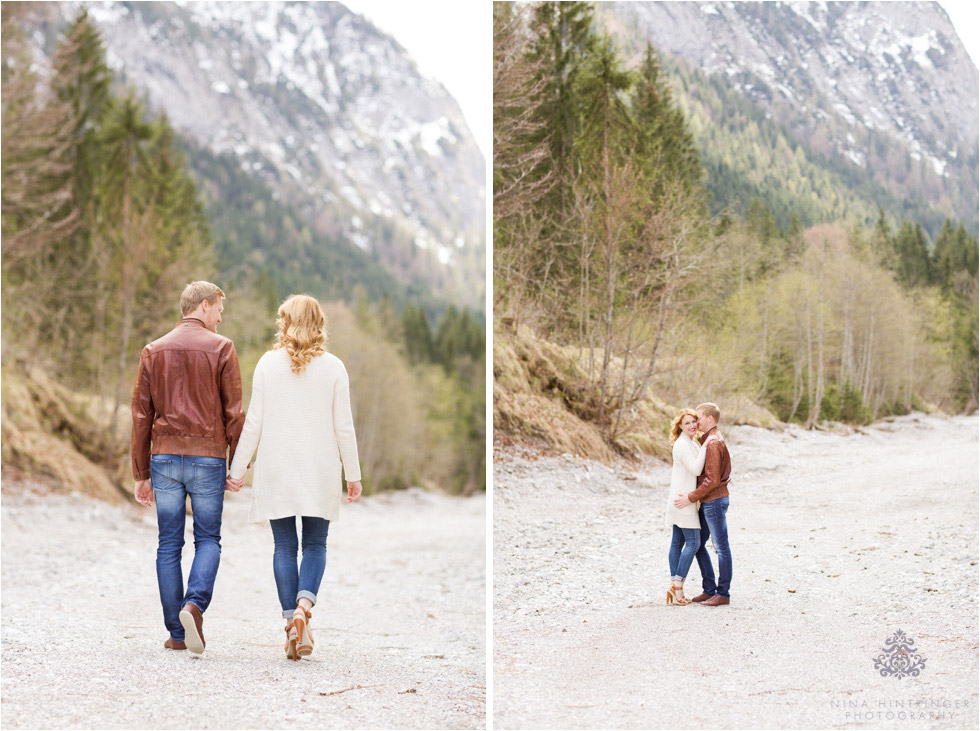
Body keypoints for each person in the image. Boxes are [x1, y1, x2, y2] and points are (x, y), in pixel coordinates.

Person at [226, 294, 363, 661]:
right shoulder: (334, 367)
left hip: (277, 468)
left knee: (284, 547)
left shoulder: (268, 365)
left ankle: (290, 623)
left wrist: (236, 471)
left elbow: (253, 423)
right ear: (319, 324)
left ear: (284, 322)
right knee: (315, 546)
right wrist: (353, 475)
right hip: (320, 469)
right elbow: (344, 428)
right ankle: (304, 610)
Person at [131, 281, 245, 653]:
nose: (221, 317)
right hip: (209, 457)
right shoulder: (222, 348)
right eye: (219, 309)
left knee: (168, 543)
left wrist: (140, 473)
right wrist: (238, 463)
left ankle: (176, 634)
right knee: (208, 538)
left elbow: (141, 415)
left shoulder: (153, 350)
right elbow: (233, 413)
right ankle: (193, 606)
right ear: (205, 305)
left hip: (163, 458)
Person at [674, 401, 732, 606]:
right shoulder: (706, 440)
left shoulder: (714, 442)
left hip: (714, 501)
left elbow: (712, 480)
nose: (696, 422)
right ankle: (709, 589)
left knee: (721, 548)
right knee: (697, 544)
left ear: (709, 419)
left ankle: (723, 594)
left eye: (699, 418)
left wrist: (690, 497)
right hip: (709, 501)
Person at [664, 409, 714, 605]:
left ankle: (676, 590)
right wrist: (705, 446)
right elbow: (695, 468)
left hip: (682, 498)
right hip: (682, 500)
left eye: (694, 421)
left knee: (677, 543)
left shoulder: (690, 443)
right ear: (680, 427)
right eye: (687, 423)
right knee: (693, 543)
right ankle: (676, 583)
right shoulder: (682, 444)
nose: (692, 425)